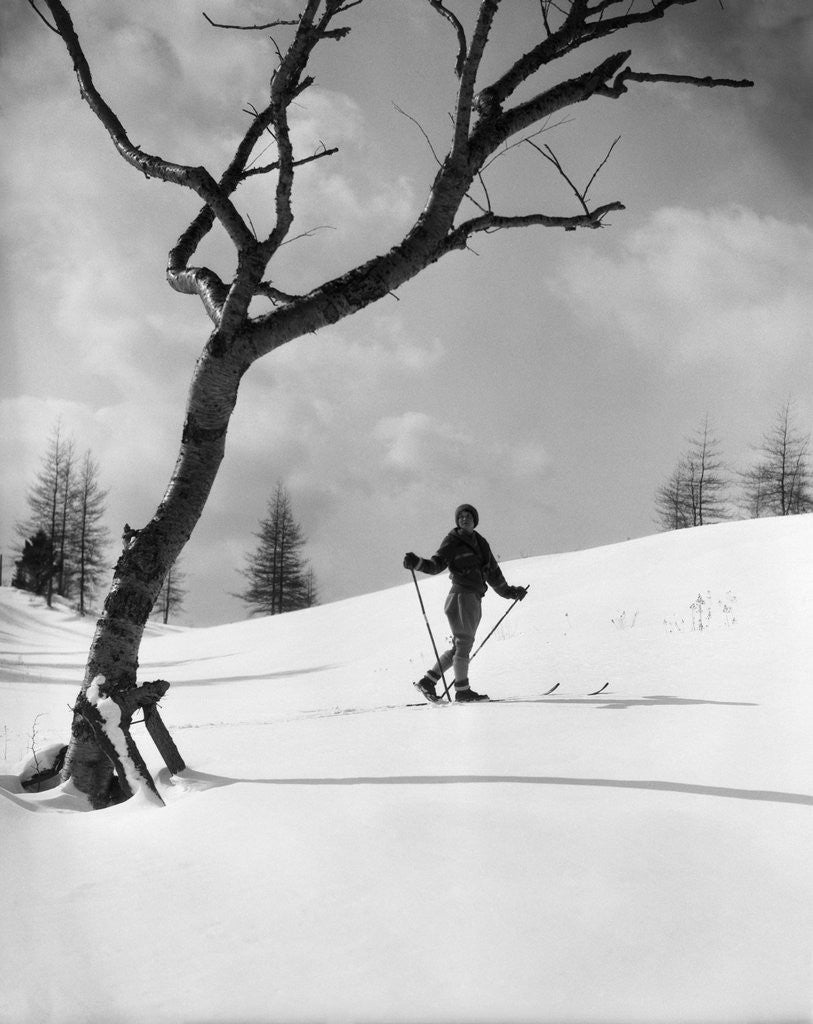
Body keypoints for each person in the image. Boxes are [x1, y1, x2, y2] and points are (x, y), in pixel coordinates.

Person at [404, 503, 527, 703]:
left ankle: (428, 681)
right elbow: (436, 565)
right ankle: (462, 691)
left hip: (472, 598)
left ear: (475, 520)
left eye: (468, 515)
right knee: (463, 645)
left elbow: (493, 573)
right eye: (461, 516)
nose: (464, 518)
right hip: (462, 596)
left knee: (459, 647)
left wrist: (511, 592)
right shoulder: (453, 541)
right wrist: (417, 563)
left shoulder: (481, 543)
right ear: (457, 521)